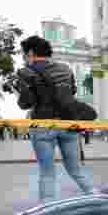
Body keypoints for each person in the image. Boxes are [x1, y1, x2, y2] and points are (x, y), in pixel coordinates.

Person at [16, 35, 97, 202]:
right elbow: (72, 93)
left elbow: (26, 103)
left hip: (43, 125)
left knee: (47, 173)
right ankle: (98, 199)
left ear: (30, 52)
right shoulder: (66, 69)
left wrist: (19, 91)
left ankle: (46, 211)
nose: (23, 58)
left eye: (23, 54)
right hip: (68, 124)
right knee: (76, 171)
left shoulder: (25, 72)